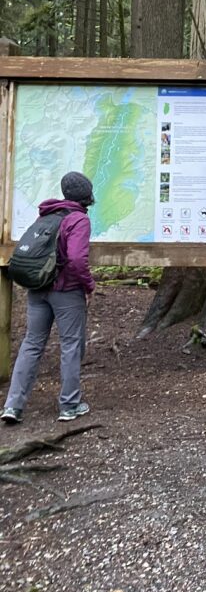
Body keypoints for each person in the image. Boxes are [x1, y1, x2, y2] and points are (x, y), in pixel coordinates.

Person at [2, 172, 96, 425]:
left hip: (37, 287)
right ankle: (69, 405)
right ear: (87, 195)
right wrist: (88, 285)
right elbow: (76, 259)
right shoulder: (78, 220)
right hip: (66, 292)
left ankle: (13, 405)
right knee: (70, 345)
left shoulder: (48, 214)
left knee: (31, 344)